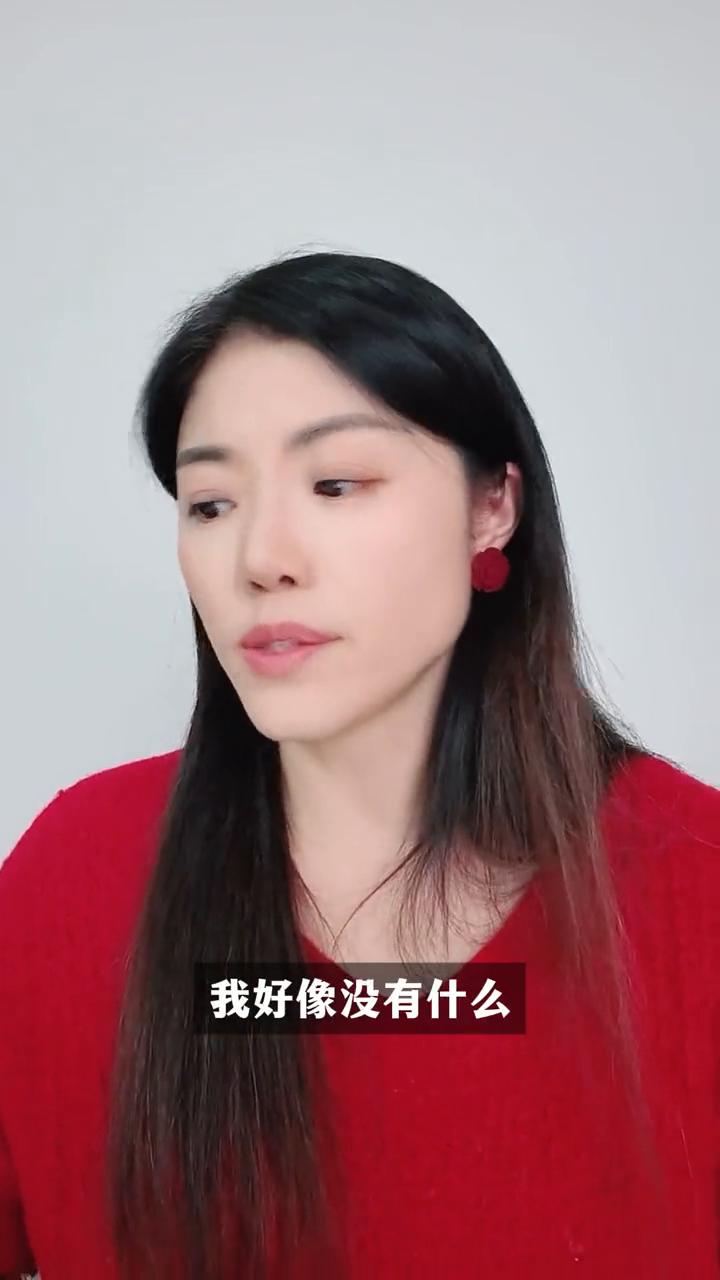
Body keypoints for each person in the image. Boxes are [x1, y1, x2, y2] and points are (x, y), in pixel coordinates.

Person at [1, 249, 718, 1280]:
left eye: (336, 483)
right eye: (211, 503)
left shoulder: (697, 885)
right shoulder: (73, 880)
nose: (261, 558)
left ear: (493, 506)